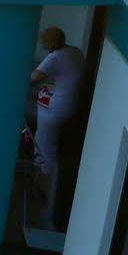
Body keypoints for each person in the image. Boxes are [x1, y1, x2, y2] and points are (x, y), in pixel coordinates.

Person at [30, 26, 86, 171]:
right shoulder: (75, 51)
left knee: (44, 144)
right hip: (72, 103)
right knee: (52, 142)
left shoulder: (55, 57)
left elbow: (33, 78)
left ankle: (43, 177)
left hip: (55, 107)